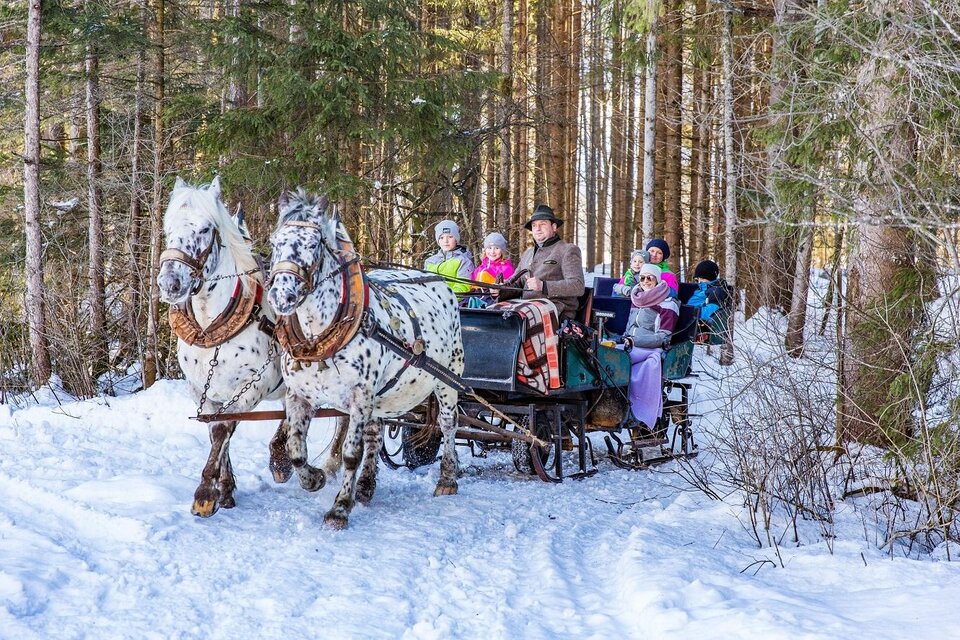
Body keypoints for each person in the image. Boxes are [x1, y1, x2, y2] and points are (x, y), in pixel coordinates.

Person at [499, 204, 585, 321]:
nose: (537, 228)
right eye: (534, 225)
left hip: (557, 310)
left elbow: (577, 286)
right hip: (527, 308)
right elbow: (516, 284)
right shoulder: (527, 254)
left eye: (542, 224)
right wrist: (499, 291)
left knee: (517, 319)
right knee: (493, 313)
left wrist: (544, 286)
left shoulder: (567, 250)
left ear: (554, 227)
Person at [619, 264, 678, 431]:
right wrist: (624, 339)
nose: (645, 281)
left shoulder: (667, 302)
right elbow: (629, 327)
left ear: (657, 280)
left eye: (650, 278)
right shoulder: (636, 298)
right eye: (642, 277)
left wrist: (635, 340)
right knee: (605, 354)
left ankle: (640, 411)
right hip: (630, 344)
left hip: (651, 348)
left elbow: (663, 336)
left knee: (620, 359)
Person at [424, 219, 475, 294]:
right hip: (429, 302)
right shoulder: (429, 261)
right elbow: (424, 284)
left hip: (452, 303)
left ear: (456, 239)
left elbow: (463, 287)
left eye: (450, 237)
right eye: (441, 238)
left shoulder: (463, 261)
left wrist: (444, 299)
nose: (446, 241)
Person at [687, 259, 732, 339]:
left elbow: (710, 312)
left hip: (697, 326)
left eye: (702, 279)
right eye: (698, 279)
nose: (700, 281)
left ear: (710, 278)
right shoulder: (702, 289)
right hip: (689, 321)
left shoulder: (716, 292)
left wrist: (688, 312)